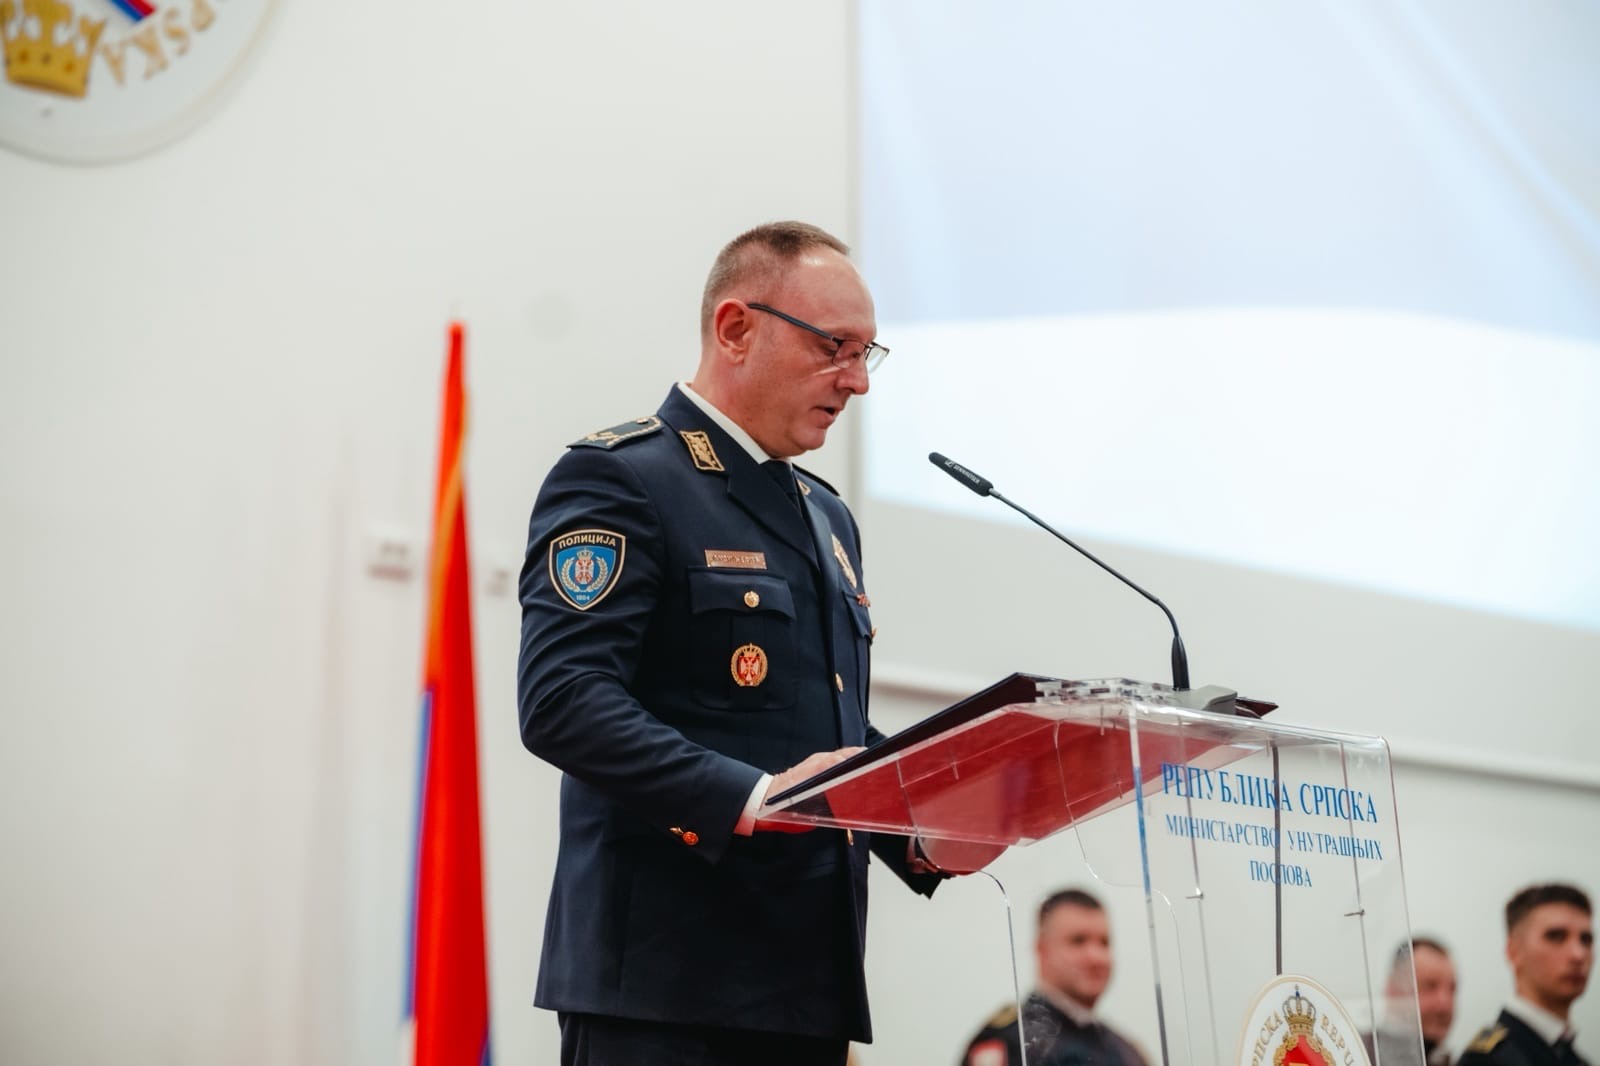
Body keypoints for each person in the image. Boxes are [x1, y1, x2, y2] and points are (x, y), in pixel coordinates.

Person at [517, 221, 954, 1066]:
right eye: (834, 347)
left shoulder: (827, 517)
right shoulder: (623, 477)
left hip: (804, 990)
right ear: (735, 328)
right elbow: (564, 702)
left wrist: (925, 826)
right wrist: (754, 798)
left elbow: (822, 728)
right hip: (662, 991)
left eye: (867, 353)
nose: (858, 380)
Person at [960, 888, 1148, 1066]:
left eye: (1104, 942)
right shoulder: (1013, 1041)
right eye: (1078, 941)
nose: (1096, 957)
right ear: (1042, 950)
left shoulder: (1126, 1051)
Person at [1457, 883, 1594, 1066]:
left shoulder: (1574, 1058)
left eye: (1586, 940)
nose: (1578, 954)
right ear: (1513, 951)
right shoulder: (1487, 1060)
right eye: (1556, 936)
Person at [1363, 938, 1458, 1066]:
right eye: (1430, 986)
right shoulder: (1355, 1056)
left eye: (1452, 989)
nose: (1445, 1004)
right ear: (1392, 990)